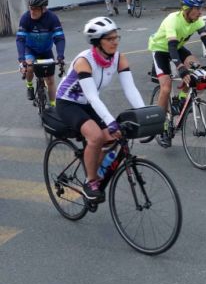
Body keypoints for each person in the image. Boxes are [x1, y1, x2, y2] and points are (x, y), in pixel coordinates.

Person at [56, 16, 145, 200]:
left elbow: (130, 89)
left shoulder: (119, 58)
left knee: (112, 138)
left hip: (88, 104)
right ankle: (90, 181)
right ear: (97, 42)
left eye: (116, 37)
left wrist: (144, 113)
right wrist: (110, 122)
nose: (115, 42)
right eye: (109, 39)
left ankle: (93, 166)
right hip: (68, 103)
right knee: (96, 136)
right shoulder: (84, 61)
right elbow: (92, 96)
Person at [148, 0, 206, 147]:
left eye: (200, 8)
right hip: (161, 49)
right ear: (186, 9)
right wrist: (180, 67)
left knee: (197, 70)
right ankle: (161, 126)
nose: (200, 12)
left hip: (177, 48)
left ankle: (182, 99)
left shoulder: (197, 21)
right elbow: (171, 47)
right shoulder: (172, 20)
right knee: (166, 87)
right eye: (197, 8)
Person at [16, 0, 65, 106]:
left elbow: (59, 38)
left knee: (50, 80)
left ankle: (53, 105)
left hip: (46, 51)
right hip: (30, 49)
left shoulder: (52, 18)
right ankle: (29, 85)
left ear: (44, 9)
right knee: (29, 68)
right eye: (31, 8)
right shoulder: (25, 18)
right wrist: (21, 59)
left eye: (35, 9)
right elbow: (20, 39)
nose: (32, 11)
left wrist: (60, 56)